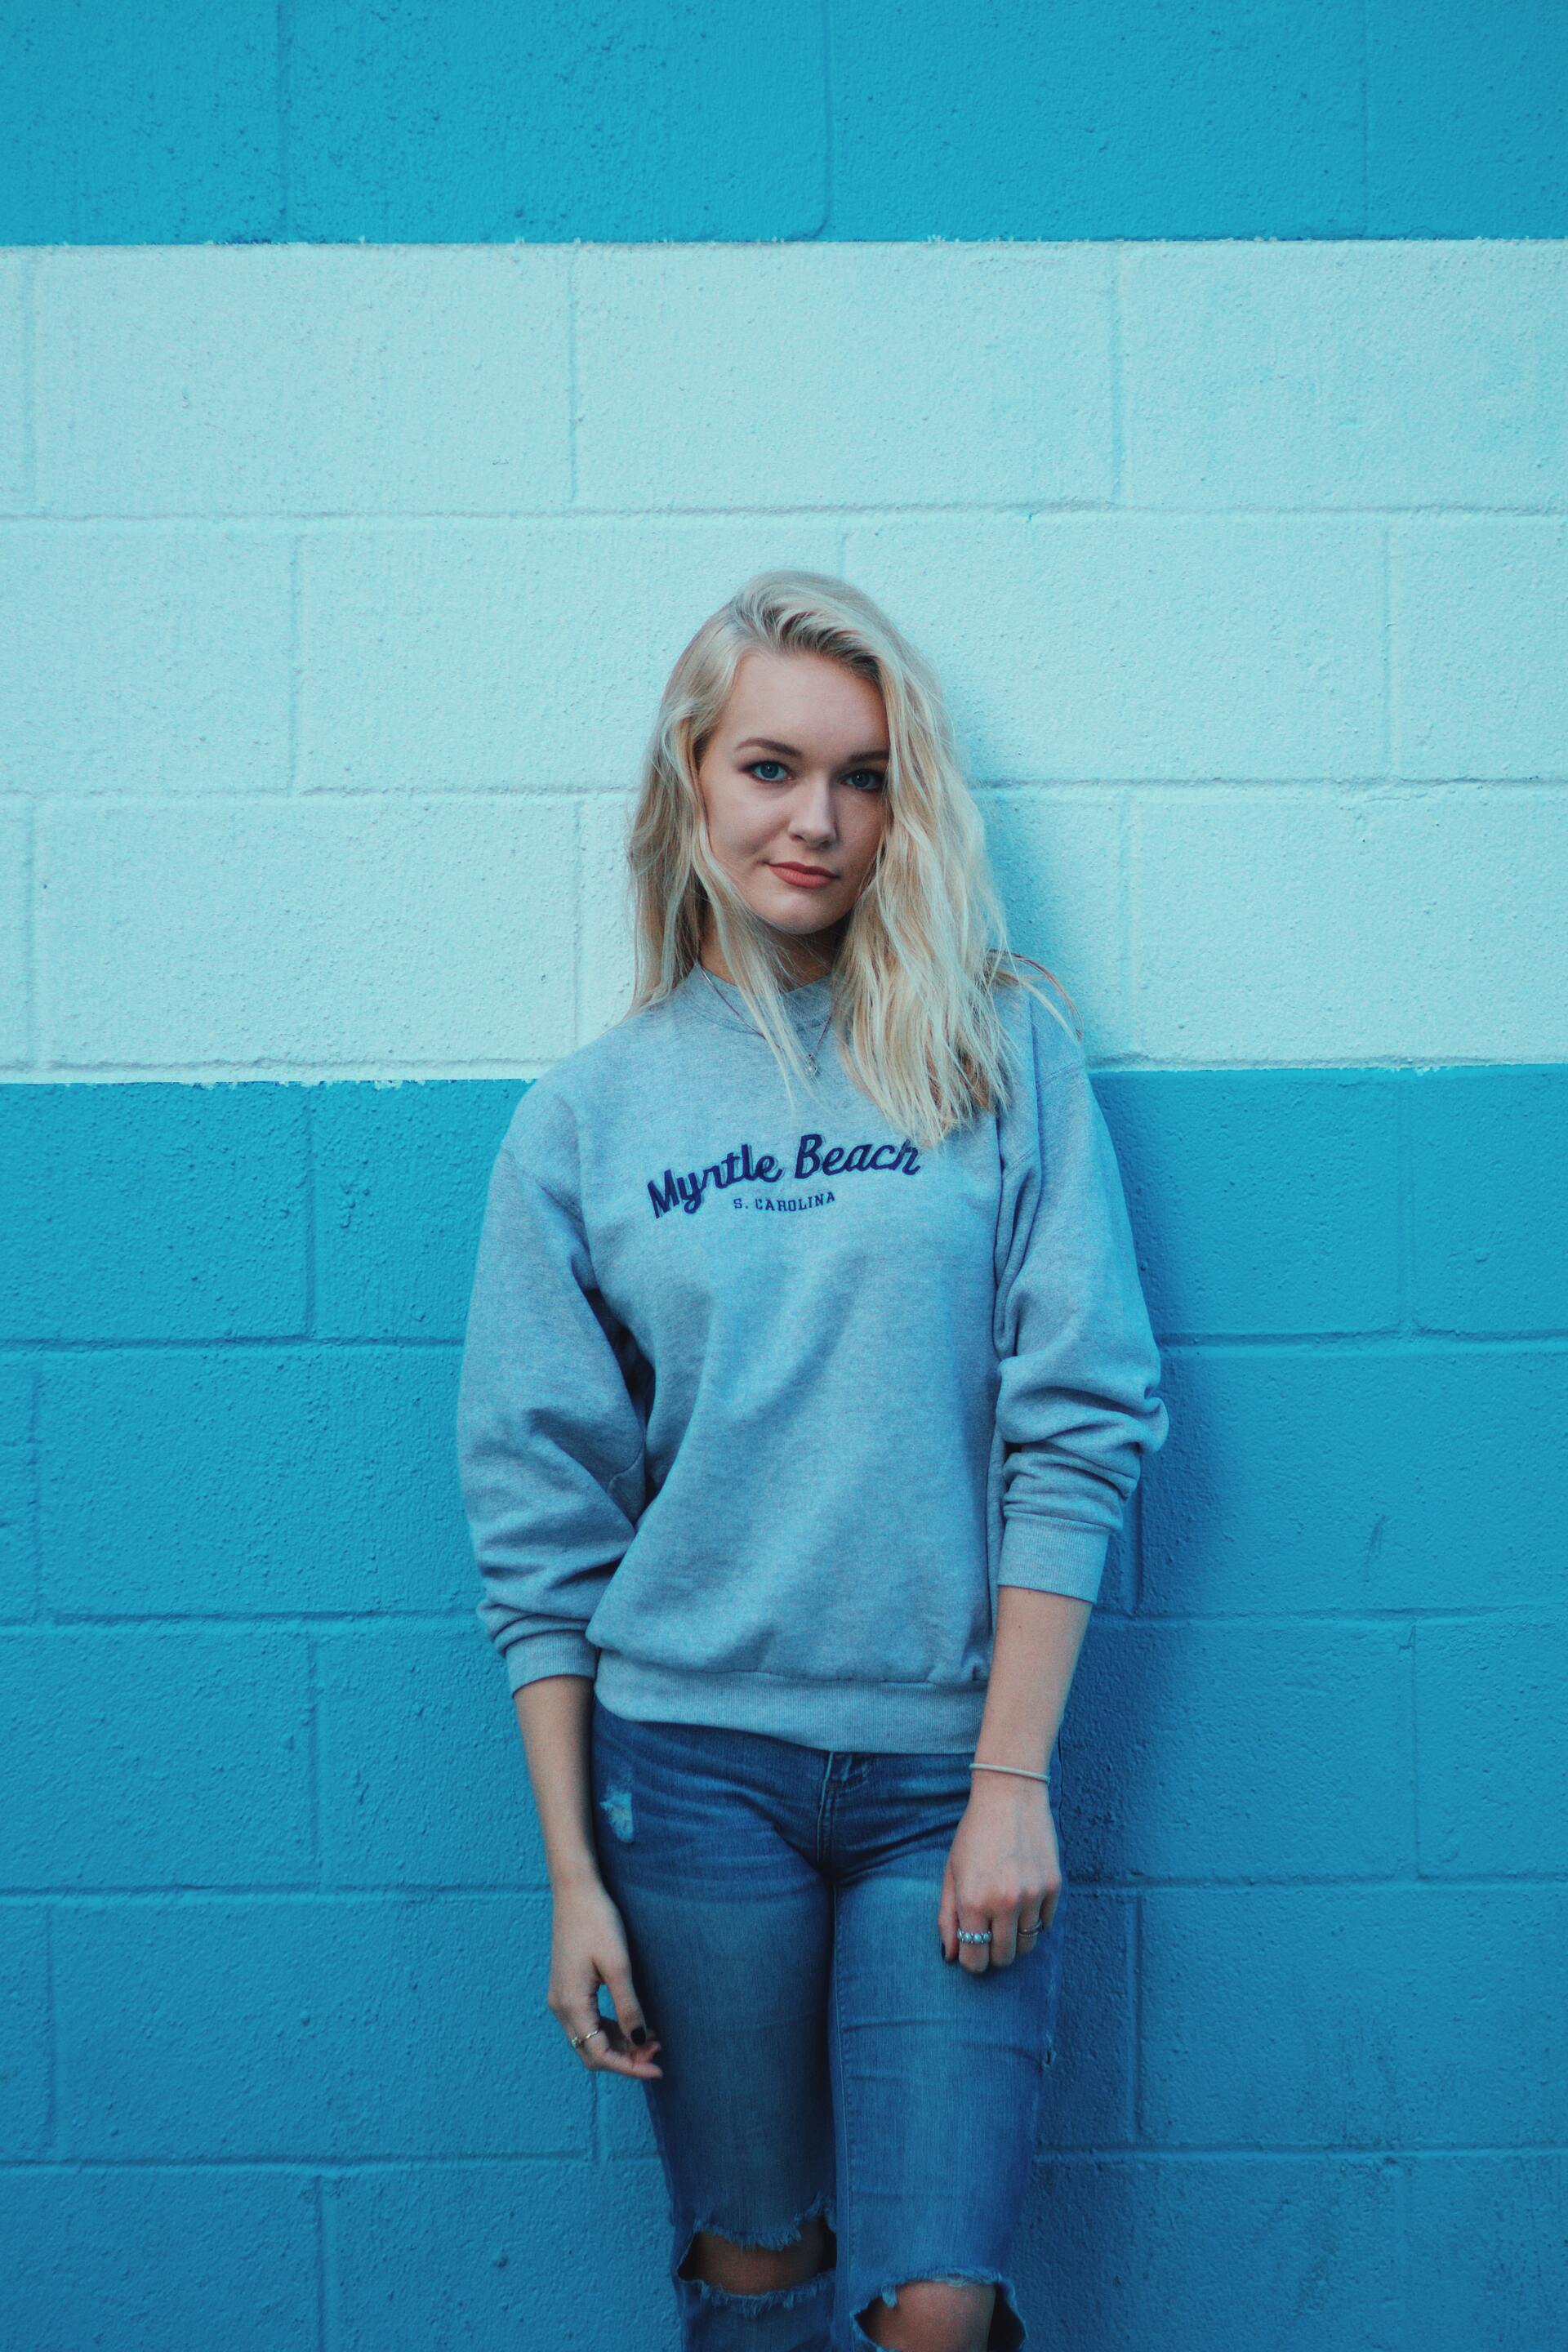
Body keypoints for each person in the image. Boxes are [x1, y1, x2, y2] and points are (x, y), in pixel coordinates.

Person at [455, 570, 1169, 2351]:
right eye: (773, 767)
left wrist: (1014, 1777)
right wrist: (571, 1881)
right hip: (687, 1776)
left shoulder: (1002, 1056)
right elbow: (541, 1528)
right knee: (756, 2271)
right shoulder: (588, 1120)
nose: (819, 821)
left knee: (936, 2306)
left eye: (864, 778)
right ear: (694, 780)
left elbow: (1078, 1419)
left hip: (948, 1770)